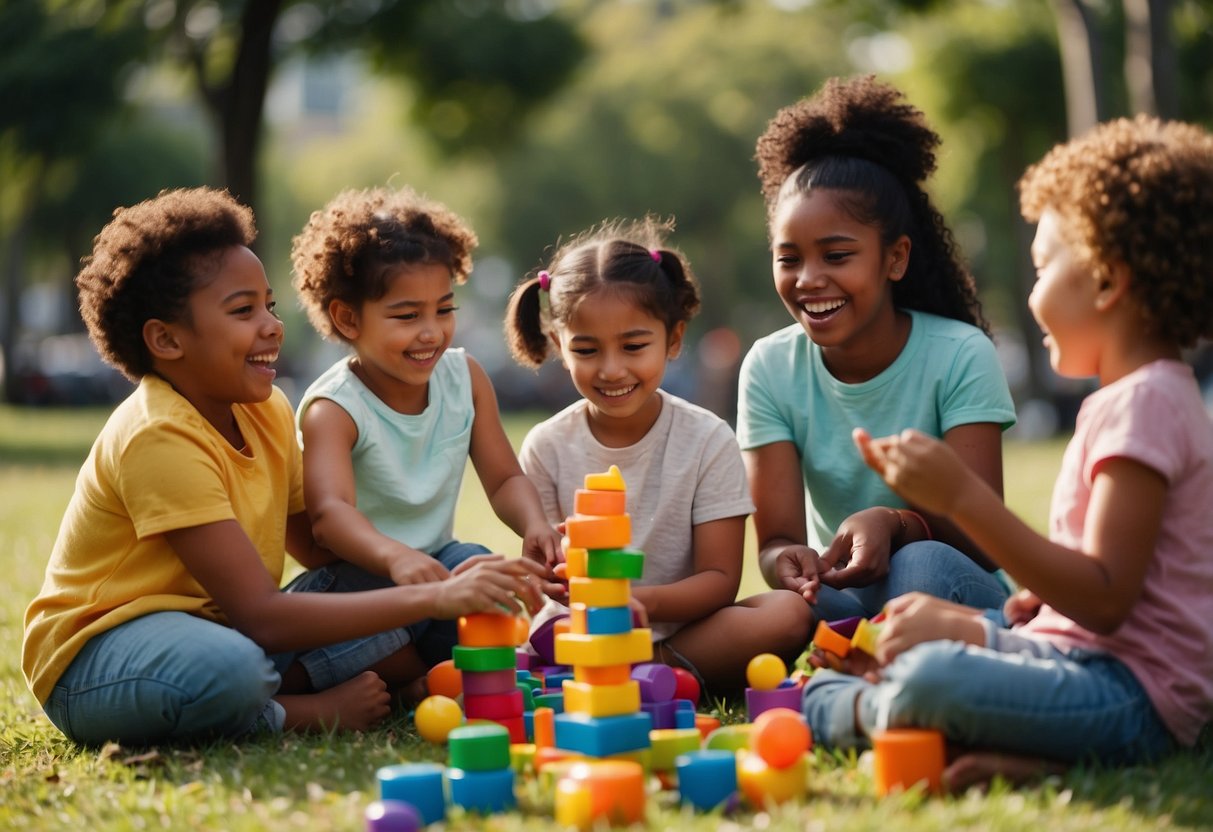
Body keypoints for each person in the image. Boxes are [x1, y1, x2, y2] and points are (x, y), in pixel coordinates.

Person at [21, 187, 546, 746]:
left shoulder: (266, 408)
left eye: (268, 305)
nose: (272, 325)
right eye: (243, 311)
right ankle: (292, 710)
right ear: (166, 339)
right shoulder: (159, 434)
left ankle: (394, 671)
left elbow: (323, 554)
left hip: (225, 632)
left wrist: (433, 574)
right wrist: (429, 599)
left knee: (441, 565)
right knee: (233, 670)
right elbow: (263, 617)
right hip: (102, 658)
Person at [803, 115, 1213, 789]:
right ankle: (1031, 756)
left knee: (928, 678)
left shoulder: (1145, 406)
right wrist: (999, 618)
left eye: (1044, 267)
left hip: (1129, 694)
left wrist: (959, 498)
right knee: (931, 634)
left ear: (1107, 283)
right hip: (1090, 664)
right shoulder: (1144, 400)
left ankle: (852, 707)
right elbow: (1100, 586)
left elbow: (1106, 601)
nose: (1030, 291)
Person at [739, 75, 1016, 625]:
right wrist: (787, 563)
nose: (808, 279)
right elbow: (775, 542)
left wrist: (895, 523)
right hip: (846, 598)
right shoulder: (770, 367)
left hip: (952, 587)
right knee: (779, 612)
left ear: (895, 258)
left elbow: (988, 540)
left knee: (917, 569)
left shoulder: (960, 354)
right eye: (788, 258)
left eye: (837, 256)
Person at [504, 217, 812, 694]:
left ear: (673, 339)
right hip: (581, 632)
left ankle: (643, 668)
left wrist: (636, 601)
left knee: (788, 613)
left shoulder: (707, 439)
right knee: (542, 631)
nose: (611, 369)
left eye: (634, 346)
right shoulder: (546, 445)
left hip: (682, 631)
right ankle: (617, 672)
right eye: (586, 350)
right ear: (560, 348)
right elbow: (546, 581)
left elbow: (719, 579)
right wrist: (552, 579)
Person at [292, 186, 562, 673]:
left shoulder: (466, 379)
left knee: (483, 566)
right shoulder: (334, 408)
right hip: (360, 581)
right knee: (390, 630)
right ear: (348, 317)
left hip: (438, 562)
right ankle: (390, 670)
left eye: (444, 309)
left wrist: (534, 523)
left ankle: (417, 667)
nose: (431, 332)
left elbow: (503, 479)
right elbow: (330, 517)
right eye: (407, 315)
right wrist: (396, 559)